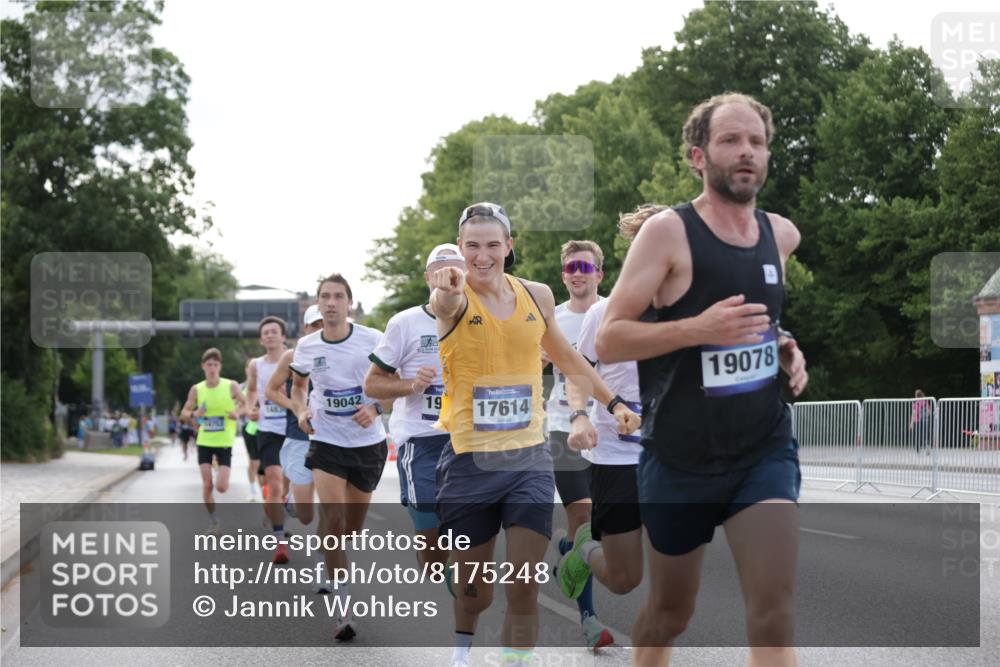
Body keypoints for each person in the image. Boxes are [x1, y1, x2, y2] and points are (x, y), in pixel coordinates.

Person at [596, 93, 808, 667]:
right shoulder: (668, 234)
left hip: (763, 449)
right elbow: (610, 337)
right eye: (731, 141)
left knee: (773, 613)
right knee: (670, 614)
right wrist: (697, 329)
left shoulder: (780, 236)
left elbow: (764, 321)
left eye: (757, 142)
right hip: (680, 459)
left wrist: (786, 347)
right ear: (698, 156)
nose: (747, 153)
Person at [429, 202, 639, 666]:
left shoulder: (538, 295)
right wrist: (445, 289)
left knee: (523, 582)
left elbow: (569, 359)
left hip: (528, 460)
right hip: (469, 463)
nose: (481, 256)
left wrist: (614, 403)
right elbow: (444, 305)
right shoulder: (454, 297)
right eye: (471, 246)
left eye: (491, 245)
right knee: (474, 593)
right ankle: (462, 650)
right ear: (459, 250)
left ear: (509, 246)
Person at [290, 273, 391, 641]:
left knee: (351, 529)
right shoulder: (306, 346)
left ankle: (325, 554)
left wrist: (377, 407)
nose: (330, 303)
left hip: (367, 445)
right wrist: (301, 412)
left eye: (337, 297)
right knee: (331, 522)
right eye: (324, 297)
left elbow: (397, 383)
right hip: (327, 442)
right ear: (318, 305)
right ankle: (343, 610)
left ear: (349, 303)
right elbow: (299, 387)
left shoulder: (373, 340)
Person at [558, 216, 651, 611]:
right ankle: (583, 551)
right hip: (618, 455)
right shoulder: (605, 312)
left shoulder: (695, 309)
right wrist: (579, 416)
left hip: (672, 456)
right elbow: (578, 371)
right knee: (624, 578)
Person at [364, 243, 465, 566]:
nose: (450, 279)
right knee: (434, 557)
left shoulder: (483, 318)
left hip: (469, 439)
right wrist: (411, 385)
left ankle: (466, 595)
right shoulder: (404, 323)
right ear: (428, 279)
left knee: (470, 531)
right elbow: (372, 383)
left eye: (457, 272)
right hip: (421, 440)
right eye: (441, 273)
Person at [541, 239, 614, 650]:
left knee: (596, 530)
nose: (577, 273)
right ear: (564, 274)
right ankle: (590, 621)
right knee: (585, 517)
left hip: (608, 436)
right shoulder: (553, 320)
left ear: (599, 274)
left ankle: (569, 549)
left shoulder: (615, 314)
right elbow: (531, 364)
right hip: (561, 428)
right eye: (571, 267)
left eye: (585, 267)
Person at [265, 304, 326, 587]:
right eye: (314, 325)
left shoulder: (341, 349)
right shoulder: (293, 355)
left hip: (331, 438)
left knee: (331, 508)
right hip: (299, 437)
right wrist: (294, 406)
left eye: (323, 323)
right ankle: (290, 500)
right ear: (305, 329)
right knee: (305, 516)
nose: (319, 329)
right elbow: (270, 389)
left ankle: (324, 567)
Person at [181, 348, 246, 535]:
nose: (212, 368)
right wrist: (194, 413)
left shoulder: (230, 385)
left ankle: (219, 467)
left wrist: (237, 413)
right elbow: (184, 413)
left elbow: (246, 403)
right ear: (203, 366)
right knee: (208, 484)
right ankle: (214, 520)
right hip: (205, 441)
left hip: (225, 441)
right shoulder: (197, 389)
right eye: (209, 365)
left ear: (220, 367)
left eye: (215, 365)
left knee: (222, 487)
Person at [246, 316, 292, 563]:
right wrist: (250, 407)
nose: (270, 335)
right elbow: (252, 390)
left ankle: (282, 506)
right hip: (268, 430)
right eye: (265, 333)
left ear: (283, 336)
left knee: (286, 487)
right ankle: (280, 543)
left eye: (274, 331)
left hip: (294, 429)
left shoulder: (296, 358)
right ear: (262, 339)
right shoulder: (256, 365)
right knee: (274, 483)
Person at [241, 360, 263, 502]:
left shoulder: (268, 382)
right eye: (250, 369)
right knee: (254, 462)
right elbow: (241, 407)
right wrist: (250, 410)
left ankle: (268, 495)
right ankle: (253, 490)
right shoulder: (244, 388)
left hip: (268, 429)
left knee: (268, 465)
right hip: (251, 429)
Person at [909, 389, 932, 454]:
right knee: (926, 434)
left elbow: (914, 414)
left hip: (917, 421)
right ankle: (927, 447)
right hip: (925, 421)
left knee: (917, 435)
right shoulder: (926, 402)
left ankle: (918, 449)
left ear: (916, 395)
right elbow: (929, 412)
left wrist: (911, 423)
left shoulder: (915, 403)